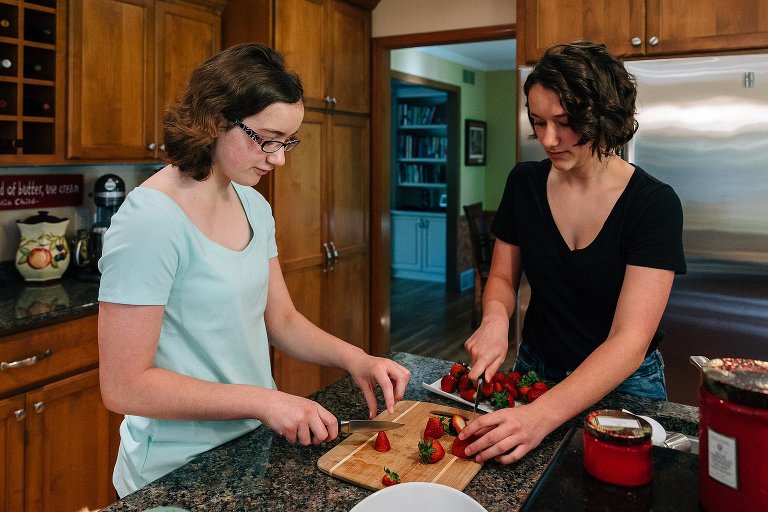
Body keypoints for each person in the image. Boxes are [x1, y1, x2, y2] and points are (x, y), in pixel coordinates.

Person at [97, 43, 411, 497]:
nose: (278, 158)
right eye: (266, 139)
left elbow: (280, 320)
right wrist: (266, 401)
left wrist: (354, 358)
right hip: (172, 470)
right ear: (215, 119)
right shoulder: (150, 219)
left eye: (287, 142)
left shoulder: (252, 204)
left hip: (248, 447)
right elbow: (124, 386)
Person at [457, 41, 686, 465]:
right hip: (535, 369)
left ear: (605, 116)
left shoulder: (653, 204)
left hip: (624, 385)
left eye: (565, 123)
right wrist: (494, 322)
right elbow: (504, 278)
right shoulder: (524, 182)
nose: (548, 139)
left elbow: (630, 340)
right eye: (538, 122)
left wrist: (540, 417)